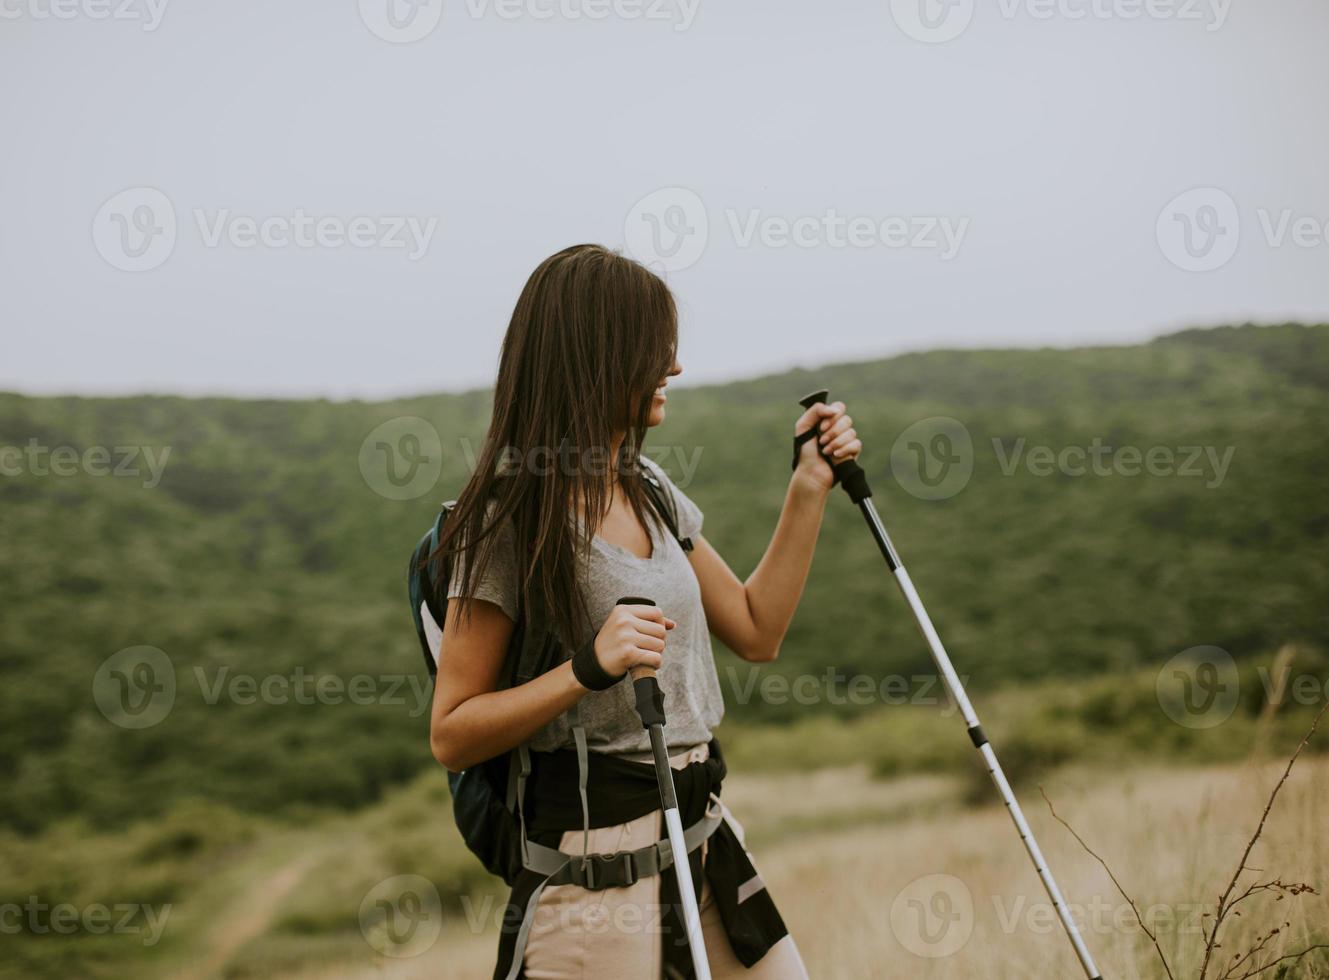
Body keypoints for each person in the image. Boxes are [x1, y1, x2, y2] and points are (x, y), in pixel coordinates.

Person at [429, 243, 862, 979]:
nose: (675, 366)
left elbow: (756, 630)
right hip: (591, 879)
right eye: (654, 348)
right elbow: (452, 733)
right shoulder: (506, 525)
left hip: (702, 841)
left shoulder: (648, 486)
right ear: (597, 357)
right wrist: (584, 670)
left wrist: (808, 487)